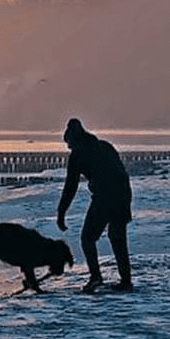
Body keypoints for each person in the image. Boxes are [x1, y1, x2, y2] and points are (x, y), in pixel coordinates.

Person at [56, 118, 133, 293]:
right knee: (118, 238)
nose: (68, 148)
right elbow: (120, 171)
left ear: (73, 140)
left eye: (68, 143)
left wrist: (61, 213)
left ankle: (95, 277)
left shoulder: (78, 154)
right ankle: (126, 281)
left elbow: (70, 187)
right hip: (123, 193)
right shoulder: (105, 146)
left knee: (87, 239)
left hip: (105, 197)